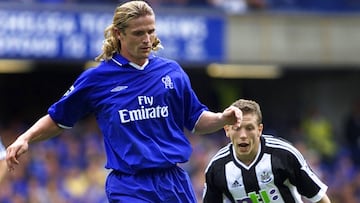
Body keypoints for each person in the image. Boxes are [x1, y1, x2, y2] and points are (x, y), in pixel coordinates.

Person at [6, 1, 242, 203]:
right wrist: (26, 138)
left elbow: (195, 120)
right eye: (139, 33)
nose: (147, 39)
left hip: (174, 182)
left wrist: (222, 118)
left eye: (151, 31)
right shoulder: (97, 79)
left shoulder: (172, 72)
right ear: (119, 34)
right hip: (130, 186)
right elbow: (58, 119)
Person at [203, 99, 331, 203]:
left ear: (259, 130)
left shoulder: (284, 155)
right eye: (237, 128)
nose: (243, 135)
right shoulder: (216, 168)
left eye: (249, 128)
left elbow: (319, 197)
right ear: (227, 130)